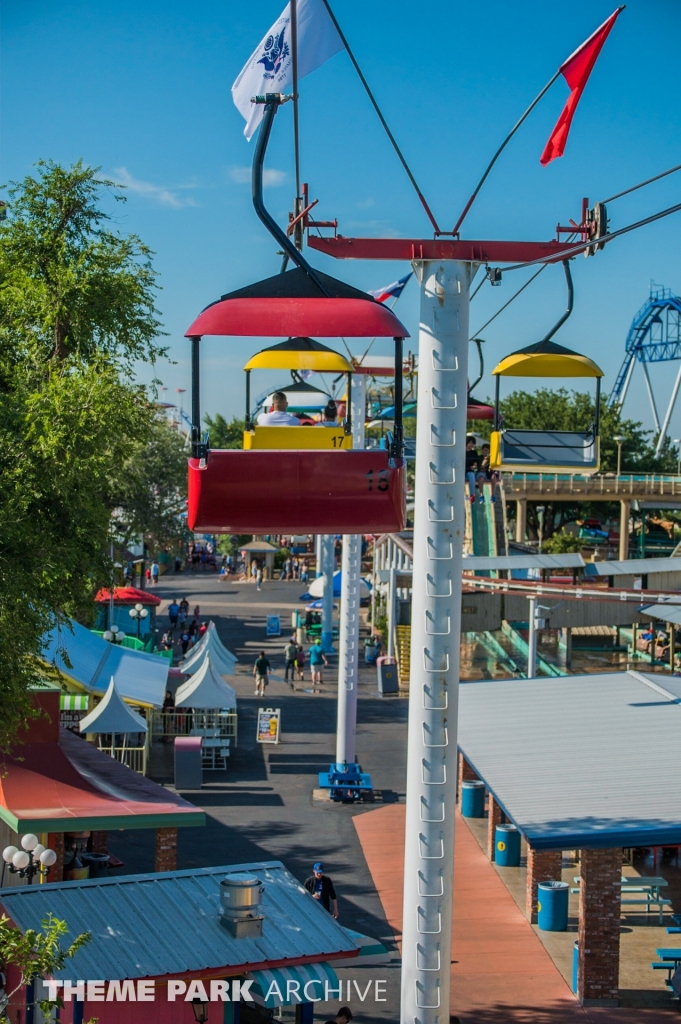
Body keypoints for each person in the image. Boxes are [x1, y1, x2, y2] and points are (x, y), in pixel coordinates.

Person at [465, 435, 479, 503]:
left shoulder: (474, 452)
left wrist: (474, 466)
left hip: (469, 470)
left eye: (473, 443)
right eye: (470, 443)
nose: (472, 445)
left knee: (472, 476)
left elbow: (475, 462)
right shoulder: (461, 451)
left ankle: (472, 495)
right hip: (462, 469)